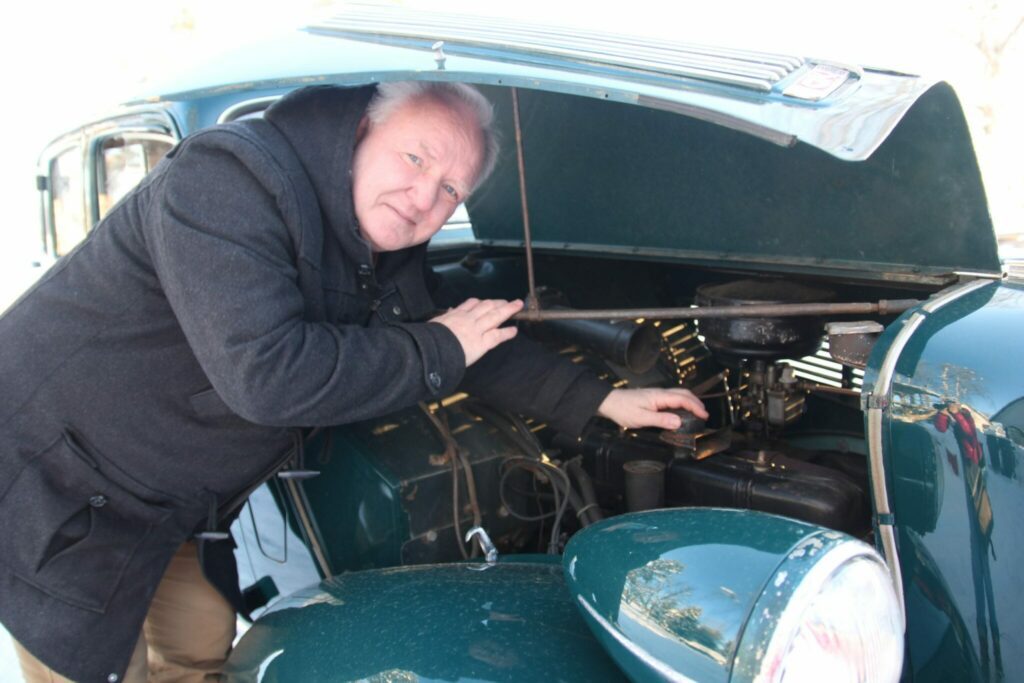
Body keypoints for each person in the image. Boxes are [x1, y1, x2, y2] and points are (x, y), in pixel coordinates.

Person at [0, 81, 706, 682]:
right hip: (61, 477)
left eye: (450, 188)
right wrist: (435, 348)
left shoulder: (373, 237)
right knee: (87, 664)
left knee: (197, 647)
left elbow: (469, 342)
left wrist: (605, 399)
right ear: (360, 130)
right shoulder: (223, 180)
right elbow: (268, 376)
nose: (424, 195)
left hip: (174, 493)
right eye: (414, 156)